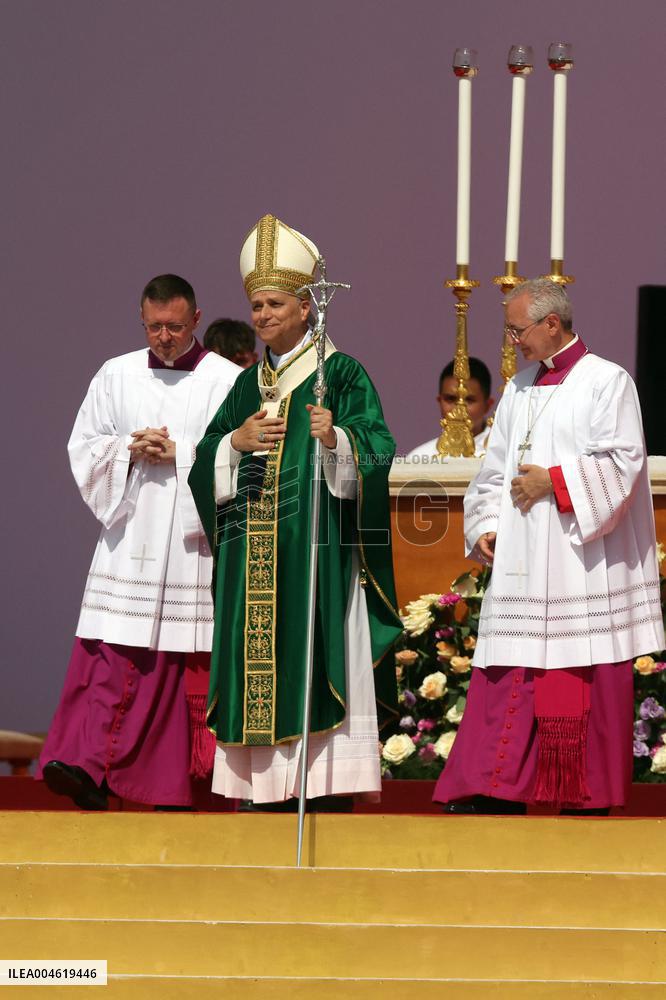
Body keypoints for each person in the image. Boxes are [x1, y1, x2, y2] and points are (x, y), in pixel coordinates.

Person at [189, 213, 402, 807]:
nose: (262, 316)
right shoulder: (245, 386)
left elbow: (378, 450)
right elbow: (205, 460)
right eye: (256, 305)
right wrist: (234, 444)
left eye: (275, 304)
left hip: (316, 561)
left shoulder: (341, 373)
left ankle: (324, 791)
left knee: (314, 658)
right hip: (252, 562)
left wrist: (338, 439)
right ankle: (263, 793)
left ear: (307, 306)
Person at [433, 278, 664, 815]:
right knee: (508, 671)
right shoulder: (518, 388)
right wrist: (487, 522)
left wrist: (554, 483)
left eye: (518, 331)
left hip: (580, 560)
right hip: (523, 558)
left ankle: (582, 795)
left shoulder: (607, 381)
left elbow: (623, 463)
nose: (513, 342)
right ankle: (496, 789)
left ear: (552, 324)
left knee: (578, 674)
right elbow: (495, 469)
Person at [37, 274, 240, 809]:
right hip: (129, 537)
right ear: (142, 320)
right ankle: (86, 768)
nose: (164, 337)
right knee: (109, 653)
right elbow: (84, 444)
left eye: (175, 326)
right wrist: (127, 448)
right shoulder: (117, 374)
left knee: (173, 664)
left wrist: (183, 453)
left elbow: (246, 456)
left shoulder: (226, 380)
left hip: (190, 545)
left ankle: (164, 784)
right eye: (154, 327)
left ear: (196, 319)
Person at [406, 357, 494, 460]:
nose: (459, 409)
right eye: (450, 399)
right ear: (440, 401)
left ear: (488, 405)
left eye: (469, 400)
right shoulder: (419, 458)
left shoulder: (501, 454)